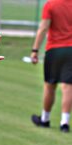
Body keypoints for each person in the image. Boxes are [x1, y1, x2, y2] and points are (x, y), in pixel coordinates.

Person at [30, 0, 72, 133]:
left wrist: (35, 50)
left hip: (54, 49)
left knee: (49, 85)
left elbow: (43, 28)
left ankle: (45, 119)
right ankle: (64, 122)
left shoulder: (51, 4)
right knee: (68, 86)